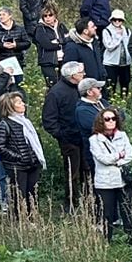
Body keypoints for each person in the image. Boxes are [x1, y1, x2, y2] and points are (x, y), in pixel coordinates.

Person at [0, 90, 46, 214]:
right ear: (10, 107)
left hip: (32, 163)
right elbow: (0, 146)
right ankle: (20, 219)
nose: (23, 105)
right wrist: (18, 157)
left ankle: (32, 217)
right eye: (19, 103)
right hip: (17, 166)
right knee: (19, 194)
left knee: (32, 193)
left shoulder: (26, 122)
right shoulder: (4, 125)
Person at [44, 61, 89, 211]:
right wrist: (62, 136)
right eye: (81, 72)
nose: (84, 74)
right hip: (69, 140)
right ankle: (71, 203)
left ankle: (90, 200)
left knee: (87, 169)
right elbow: (49, 120)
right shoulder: (56, 93)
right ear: (73, 76)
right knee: (72, 172)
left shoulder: (81, 88)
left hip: (85, 137)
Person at [89, 107, 132, 240]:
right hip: (105, 182)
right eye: (107, 119)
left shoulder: (122, 135)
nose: (111, 121)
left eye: (113, 118)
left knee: (126, 210)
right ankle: (107, 239)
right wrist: (119, 155)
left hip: (122, 180)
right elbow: (102, 158)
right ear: (101, 121)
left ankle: (130, 238)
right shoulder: (94, 139)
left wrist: (116, 160)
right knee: (107, 213)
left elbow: (129, 155)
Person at [31, 4, 67, 84]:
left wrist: (57, 42)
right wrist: (60, 43)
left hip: (63, 59)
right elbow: (46, 45)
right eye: (45, 16)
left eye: (50, 15)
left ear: (55, 16)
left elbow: (68, 40)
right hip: (48, 61)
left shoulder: (61, 26)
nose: (48, 18)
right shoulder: (40, 28)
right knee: (53, 85)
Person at [101, 8, 132, 96]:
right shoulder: (106, 31)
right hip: (111, 63)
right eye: (115, 19)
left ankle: (124, 101)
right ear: (111, 20)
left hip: (125, 63)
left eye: (120, 20)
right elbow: (109, 46)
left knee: (125, 83)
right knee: (111, 85)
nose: (117, 22)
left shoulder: (127, 30)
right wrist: (118, 37)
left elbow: (129, 44)